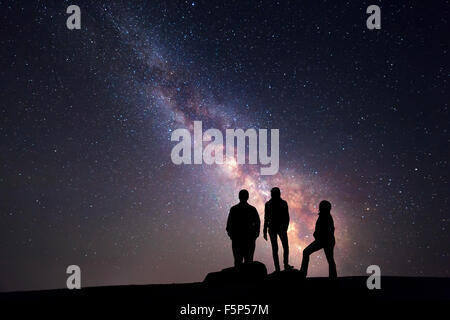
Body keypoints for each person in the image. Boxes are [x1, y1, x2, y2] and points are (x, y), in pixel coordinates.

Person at [300, 200, 337, 278]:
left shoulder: (325, 216)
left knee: (306, 252)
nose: (319, 207)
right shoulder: (325, 216)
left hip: (324, 240)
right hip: (326, 240)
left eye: (321, 206)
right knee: (330, 259)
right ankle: (333, 276)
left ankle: (303, 274)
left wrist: (317, 235)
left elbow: (328, 230)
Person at [226, 189, 261, 266]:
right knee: (248, 261)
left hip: (239, 239)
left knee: (238, 261)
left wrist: (231, 235)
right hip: (247, 238)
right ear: (248, 197)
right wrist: (255, 234)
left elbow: (229, 225)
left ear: (239, 197)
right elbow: (257, 223)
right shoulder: (252, 209)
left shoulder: (234, 209)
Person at [263, 187, 294, 272]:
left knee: (281, 247)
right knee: (278, 248)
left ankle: (283, 266)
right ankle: (280, 267)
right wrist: (265, 230)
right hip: (274, 228)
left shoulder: (280, 203)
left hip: (278, 228)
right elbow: (266, 218)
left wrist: (285, 227)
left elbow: (287, 217)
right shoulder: (270, 204)